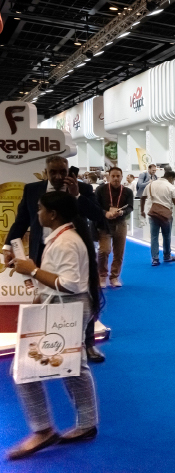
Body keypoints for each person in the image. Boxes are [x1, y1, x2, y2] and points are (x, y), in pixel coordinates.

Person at [6, 191, 103, 459]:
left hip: (66, 308)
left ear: (52, 214)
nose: (37, 213)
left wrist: (32, 270)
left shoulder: (66, 242)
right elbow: (59, 281)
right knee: (73, 367)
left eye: (40, 209)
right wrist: (35, 304)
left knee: (23, 368)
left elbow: (70, 284)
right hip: (64, 307)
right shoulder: (63, 238)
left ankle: (43, 429)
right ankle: (85, 424)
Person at [2, 156, 105, 363]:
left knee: (82, 295)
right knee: (45, 293)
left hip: (74, 250)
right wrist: (7, 246)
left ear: (68, 171)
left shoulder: (82, 189)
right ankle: (48, 341)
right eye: (53, 172)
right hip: (42, 251)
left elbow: (98, 216)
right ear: (46, 172)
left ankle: (87, 343)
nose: (58, 176)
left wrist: (76, 196)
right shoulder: (32, 190)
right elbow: (21, 220)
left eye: (62, 172)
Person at [95, 167, 134, 288]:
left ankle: (114, 277)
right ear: (109, 177)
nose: (116, 178)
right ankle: (102, 276)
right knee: (104, 250)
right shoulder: (101, 189)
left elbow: (130, 207)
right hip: (104, 224)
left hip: (120, 223)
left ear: (122, 177)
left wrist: (122, 212)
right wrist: (105, 213)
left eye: (118, 176)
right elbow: (95, 206)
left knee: (119, 252)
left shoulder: (128, 191)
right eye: (113, 176)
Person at [143, 170, 175, 266]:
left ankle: (155, 259)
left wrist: (142, 210)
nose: (173, 181)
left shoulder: (151, 184)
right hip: (166, 215)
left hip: (153, 213)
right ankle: (167, 256)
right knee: (166, 236)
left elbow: (143, 197)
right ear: (170, 178)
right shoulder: (170, 187)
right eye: (173, 180)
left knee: (154, 236)